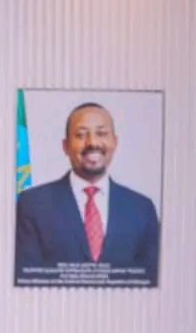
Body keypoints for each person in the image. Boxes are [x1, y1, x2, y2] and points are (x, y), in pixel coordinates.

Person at [14, 102, 159, 284]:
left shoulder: (142, 209)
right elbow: (28, 279)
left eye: (101, 133)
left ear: (115, 142)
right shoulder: (33, 204)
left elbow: (150, 280)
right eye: (81, 134)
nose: (92, 142)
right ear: (65, 146)